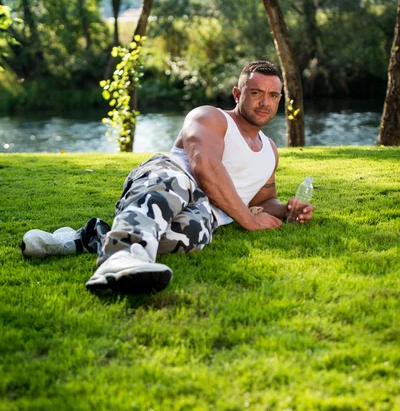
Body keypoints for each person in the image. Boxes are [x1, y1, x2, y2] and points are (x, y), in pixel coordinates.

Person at [21, 60, 315, 294]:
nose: (265, 102)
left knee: (191, 235)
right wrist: (249, 221)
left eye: (273, 95)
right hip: (169, 178)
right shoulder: (210, 117)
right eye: (256, 93)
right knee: (176, 184)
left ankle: (85, 238)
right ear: (238, 94)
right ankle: (120, 259)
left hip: (206, 211)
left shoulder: (271, 151)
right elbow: (204, 168)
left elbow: (263, 199)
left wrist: (287, 209)